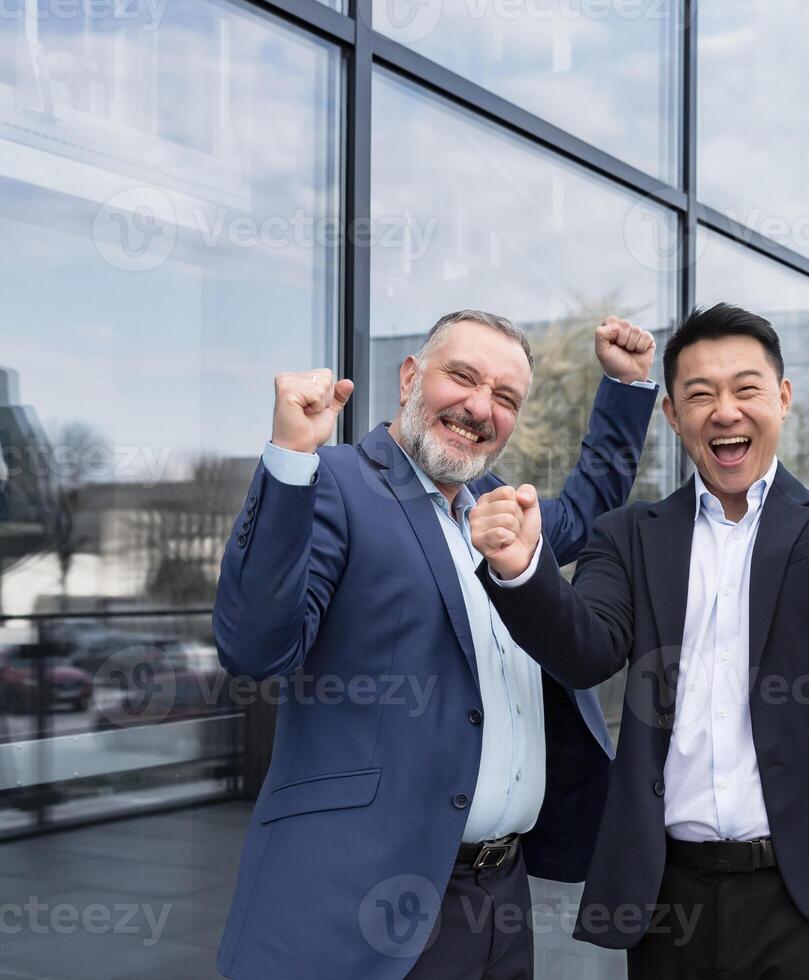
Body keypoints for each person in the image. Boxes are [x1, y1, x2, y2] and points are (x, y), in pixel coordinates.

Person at [469, 303, 809, 978]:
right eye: (700, 395)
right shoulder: (629, 535)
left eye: (746, 389)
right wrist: (523, 569)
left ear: (782, 399)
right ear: (672, 416)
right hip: (670, 897)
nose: (724, 410)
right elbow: (586, 649)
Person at [213, 311, 659, 980]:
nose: (481, 407)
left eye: (506, 398)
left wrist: (625, 386)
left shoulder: (499, 512)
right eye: (463, 377)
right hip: (364, 900)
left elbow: (590, 504)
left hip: (499, 898)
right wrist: (289, 460)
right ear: (411, 377)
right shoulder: (335, 482)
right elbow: (255, 646)